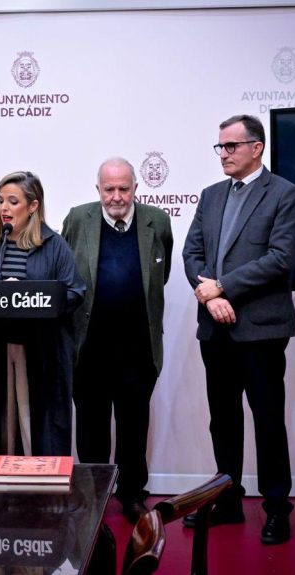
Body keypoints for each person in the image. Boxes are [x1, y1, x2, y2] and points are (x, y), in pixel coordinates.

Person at [181, 114, 295, 544]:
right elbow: (192, 253)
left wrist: (224, 287)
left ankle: (276, 508)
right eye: (220, 146)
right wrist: (211, 297)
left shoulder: (285, 193)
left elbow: (280, 258)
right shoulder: (211, 195)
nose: (224, 154)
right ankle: (227, 501)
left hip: (261, 330)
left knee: (268, 421)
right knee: (224, 421)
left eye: (231, 146)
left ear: (257, 147)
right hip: (215, 329)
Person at [61, 157, 173, 523]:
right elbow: (66, 272)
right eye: (109, 189)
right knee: (91, 429)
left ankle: (132, 495)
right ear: (98, 189)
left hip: (138, 348)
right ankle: (93, 496)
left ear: (136, 188)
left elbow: (160, 275)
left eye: (124, 188)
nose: (116, 196)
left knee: (133, 427)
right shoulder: (78, 219)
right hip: (89, 348)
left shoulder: (158, 221)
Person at [0, 171, 85, 459]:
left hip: (38, 350)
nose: (4, 208)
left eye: (13, 202)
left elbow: (74, 291)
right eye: (1, 201)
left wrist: (29, 294)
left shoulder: (54, 244)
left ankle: (37, 483)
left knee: (34, 430)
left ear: (33, 206)